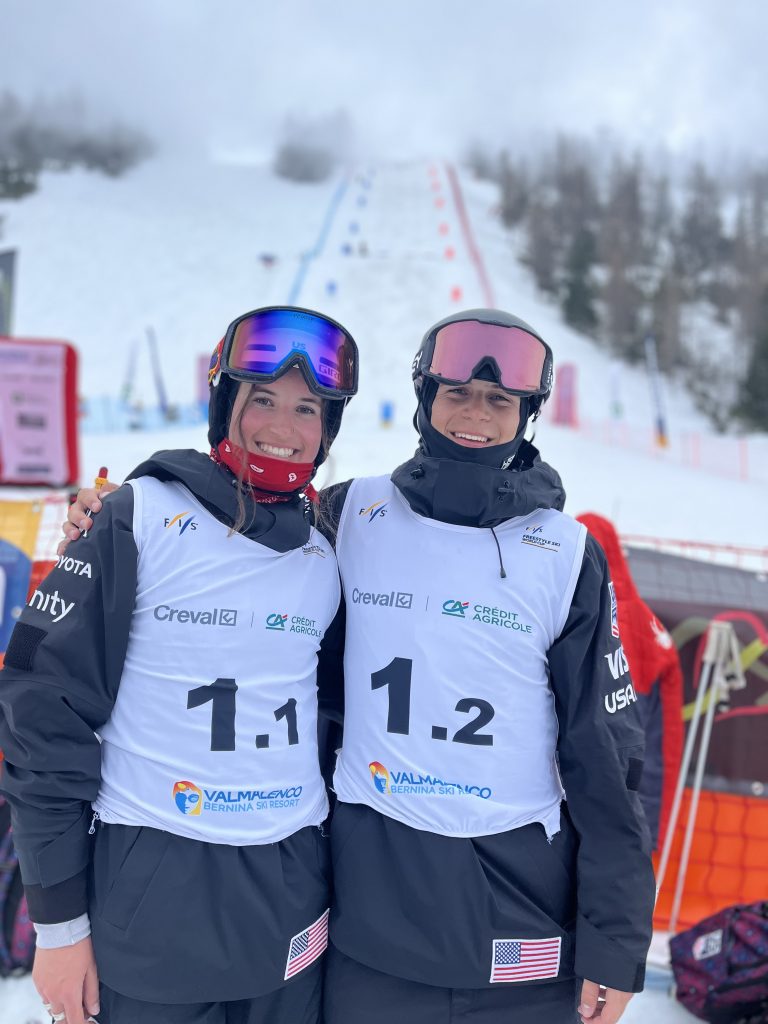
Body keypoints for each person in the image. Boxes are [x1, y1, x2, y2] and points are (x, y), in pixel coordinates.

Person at [63, 309, 655, 1024]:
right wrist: (104, 518)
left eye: (500, 401)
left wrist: (614, 937)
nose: (476, 414)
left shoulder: (565, 554)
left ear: (526, 416)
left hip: (518, 923)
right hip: (370, 927)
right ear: (423, 399)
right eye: (457, 393)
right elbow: (243, 546)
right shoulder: (351, 517)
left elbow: (606, 757)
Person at [0, 305, 358, 1024]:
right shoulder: (137, 517)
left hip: (289, 897)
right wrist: (61, 924)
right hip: (154, 895)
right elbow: (41, 716)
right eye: (262, 400)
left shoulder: (332, 542)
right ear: (226, 401)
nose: (283, 428)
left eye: (307, 408)